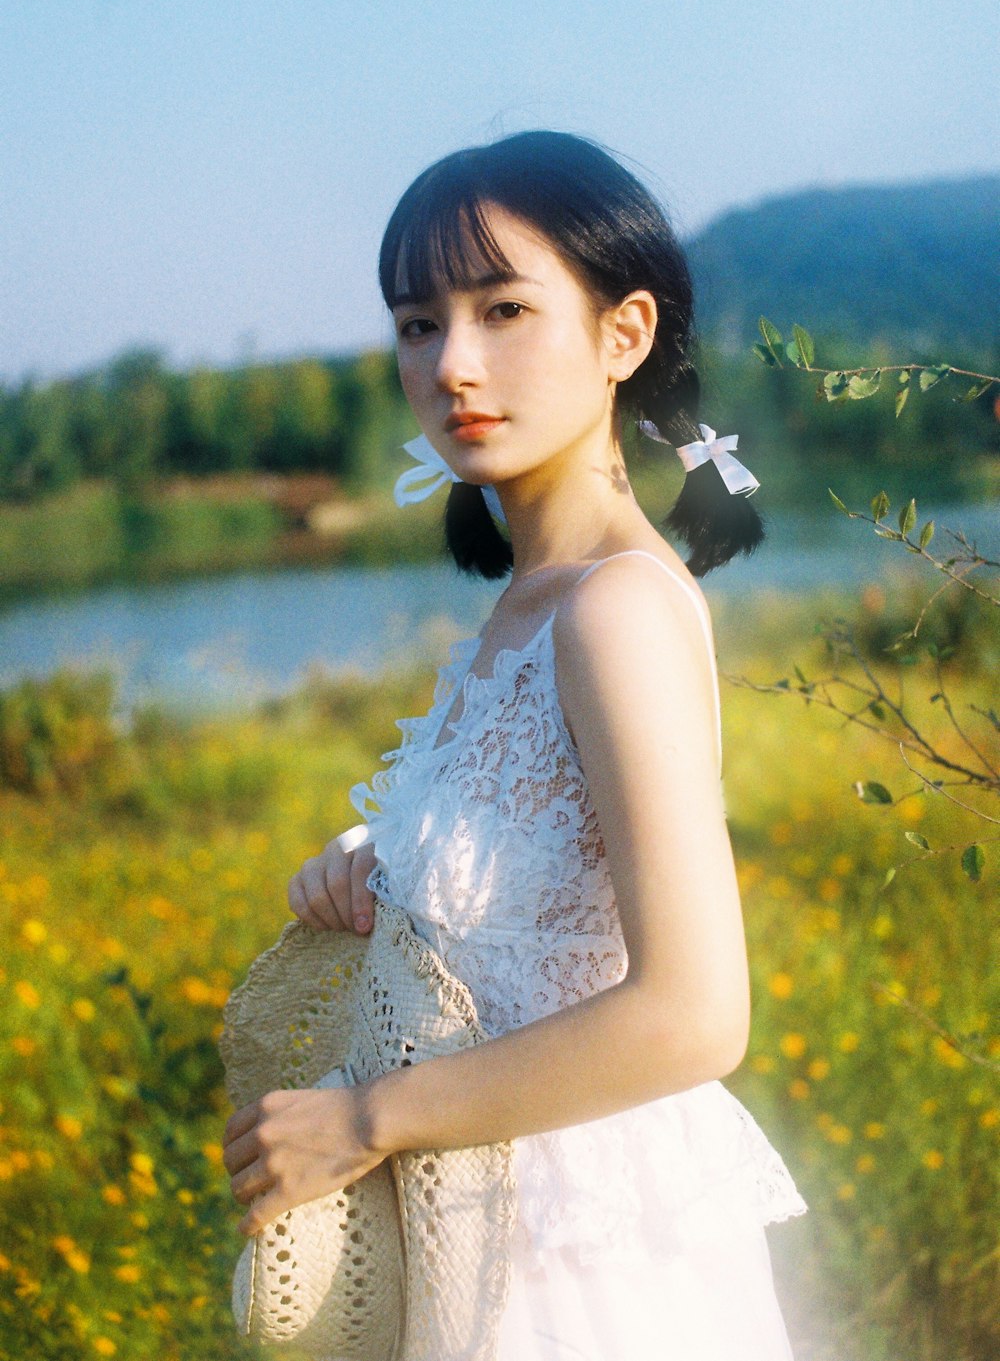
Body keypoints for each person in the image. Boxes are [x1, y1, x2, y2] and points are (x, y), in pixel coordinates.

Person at [223, 130, 806, 1359]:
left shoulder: (616, 608)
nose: (453, 364)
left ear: (622, 333)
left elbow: (697, 1013)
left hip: (587, 1260)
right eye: (417, 324)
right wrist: (379, 877)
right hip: (488, 1222)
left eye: (502, 309)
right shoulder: (528, 607)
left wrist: (363, 1117)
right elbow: (538, 911)